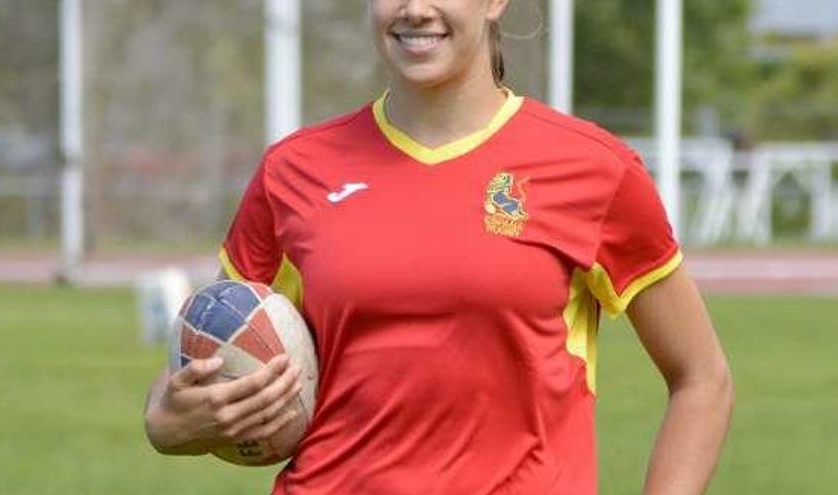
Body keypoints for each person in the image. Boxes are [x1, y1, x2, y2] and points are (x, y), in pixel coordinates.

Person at [144, 0, 734, 493]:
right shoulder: (292, 171)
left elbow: (702, 379)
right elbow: (208, 352)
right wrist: (168, 423)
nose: (415, 9)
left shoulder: (594, 170)